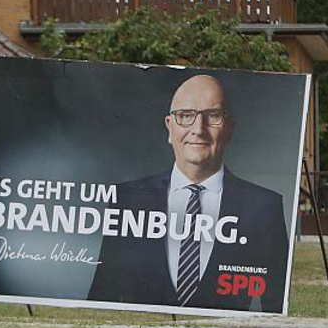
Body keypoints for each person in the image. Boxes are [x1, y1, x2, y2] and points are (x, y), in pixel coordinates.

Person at [87, 74, 290, 313]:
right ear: (169, 127)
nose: (198, 129)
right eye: (185, 115)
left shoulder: (264, 207)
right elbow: (100, 300)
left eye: (212, 116)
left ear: (229, 128)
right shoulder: (127, 199)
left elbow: (276, 308)